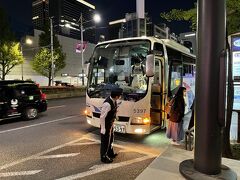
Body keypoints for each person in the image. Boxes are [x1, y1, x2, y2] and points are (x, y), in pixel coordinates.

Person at [100, 87, 123, 163]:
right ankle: (104, 157)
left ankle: (110, 153)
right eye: (120, 95)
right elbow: (102, 117)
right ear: (116, 96)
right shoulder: (107, 104)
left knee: (111, 139)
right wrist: (103, 129)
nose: (120, 96)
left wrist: (115, 116)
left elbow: (114, 110)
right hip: (106, 125)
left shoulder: (114, 100)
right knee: (105, 142)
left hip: (110, 124)